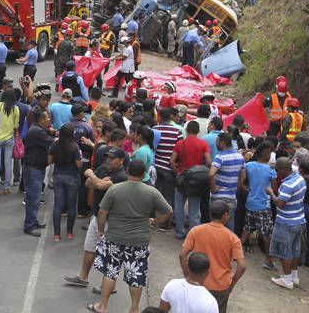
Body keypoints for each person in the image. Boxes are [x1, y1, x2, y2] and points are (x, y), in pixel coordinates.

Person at [89, 160, 172, 313]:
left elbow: (102, 212)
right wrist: (154, 221)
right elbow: (168, 211)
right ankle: (134, 309)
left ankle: (102, 306)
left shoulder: (115, 189)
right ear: (143, 174)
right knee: (136, 276)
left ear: (127, 171)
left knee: (110, 272)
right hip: (139, 241)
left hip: (115, 237)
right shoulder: (151, 192)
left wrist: (101, 230)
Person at [64, 146, 129, 289]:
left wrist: (92, 175)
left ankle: (109, 286)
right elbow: (89, 184)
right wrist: (98, 180)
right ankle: (83, 277)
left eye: (112, 158)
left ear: (121, 161)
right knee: (89, 247)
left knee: (109, 254)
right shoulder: (103, 169)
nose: (109, 160)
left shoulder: (121, 176)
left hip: (111, 219)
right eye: (108, 157)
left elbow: (98, 184)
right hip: (96, 215)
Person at [180, 200, 247, 312]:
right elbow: (242, 265)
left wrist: (187, 274)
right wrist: (233, 281)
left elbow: (182, 255)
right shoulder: (233, 238)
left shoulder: (196, 231)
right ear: (225, 215)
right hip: (221, 286)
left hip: (198, 282)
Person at [267, 156, 307, 289]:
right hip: (299, 220)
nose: (277, 173)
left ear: (284, 169)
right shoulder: (300, 179)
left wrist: (271, 193)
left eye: (278, 170)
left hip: (286, 222)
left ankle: (287, 279)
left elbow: (280, 204)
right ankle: (294, 277)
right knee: (295, 249)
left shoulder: (287, 185)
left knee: (285, 251)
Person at [171, 121, 212, 239]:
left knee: (179, 207)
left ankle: (180, 232)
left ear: (187, 130)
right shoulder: (203, 144)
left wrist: (177, 172)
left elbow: (172, 161)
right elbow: (209, 162)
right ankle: (193, 235)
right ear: (198, 131)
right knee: (194, 209)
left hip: (182, 178)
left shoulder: (180, 143)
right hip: (196, 181)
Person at [241, 142, 277, 271]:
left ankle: (237, 252)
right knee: (267, 234)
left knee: (247, 228)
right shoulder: (271, 170)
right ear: (266, 155)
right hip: (263, 205)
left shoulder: (249, 165)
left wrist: (248, 189)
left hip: (250, 202)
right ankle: (269, 260)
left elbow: (242, 182)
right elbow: (274, 188)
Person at [23, 108, 56, 235]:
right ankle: (29, 225)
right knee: (33, 198)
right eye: (47, 117)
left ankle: (33, 221)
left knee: (34, 197)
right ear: (41, 119)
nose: (49, 119)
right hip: (33, 170)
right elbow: (53, 143)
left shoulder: (38, 129)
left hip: (36, 168)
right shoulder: (37, 132)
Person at [49, 123, 82, 240]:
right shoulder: (74, 147)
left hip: (58, 176)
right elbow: (79, 164)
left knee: (57, 205)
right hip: (72, 177)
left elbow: (50, 161)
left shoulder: (55, 144)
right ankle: (69, 232)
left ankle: (56, 234)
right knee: (71, 206)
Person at [209, 133, 245, 231]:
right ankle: (228, 245)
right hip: (232, 198)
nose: (216, 143)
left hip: (218, 197)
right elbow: (243, 175)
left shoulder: (220, 157)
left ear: (222, 143)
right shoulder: (240, 157)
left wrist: (213, 189)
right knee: (229, 224)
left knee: (215, 226)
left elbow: (211, 174)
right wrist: (237, 186)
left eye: (217, 141)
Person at [0, 89, 19, 195]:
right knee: (8, 163)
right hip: (9, 138)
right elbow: (16, 126)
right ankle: (7, 186)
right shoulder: (15, 109)